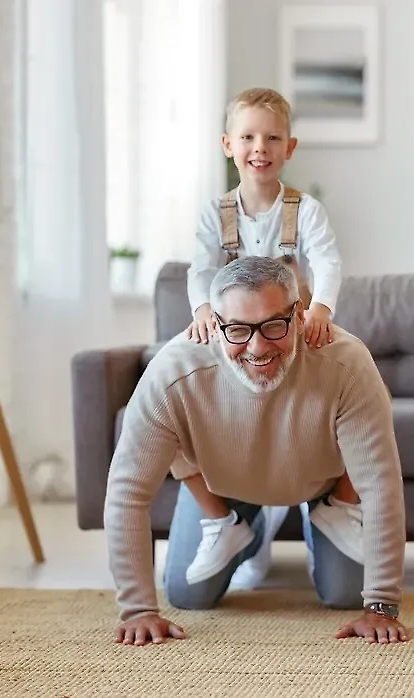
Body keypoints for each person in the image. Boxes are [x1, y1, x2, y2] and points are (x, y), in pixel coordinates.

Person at [104, 256, 408, 647]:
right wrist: (138, 611)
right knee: (187, 595)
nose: (257, 346)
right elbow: (127, 493)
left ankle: (323, 517)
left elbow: (381, 485)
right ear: (215, 324)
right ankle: (245, 529)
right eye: (238, 330)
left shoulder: (346, 361)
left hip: (320, 484)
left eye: (273, 325)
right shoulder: (173, 370)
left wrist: (381, 604)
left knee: (346, 594)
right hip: (223, 488)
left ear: (299, 315)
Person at [180, 87, 345, 585]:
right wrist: (204, 308)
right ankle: (239, 521)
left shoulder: (305, 210)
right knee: (190, 381)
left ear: (289, 147)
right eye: (248, 136)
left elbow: (328, 262)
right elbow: (201, 267)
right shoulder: (216, 212)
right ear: (227, 144)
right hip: (237, 339)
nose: (261, 146)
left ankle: (323, 510)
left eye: (273, 137)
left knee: (331, 379)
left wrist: (320, 308)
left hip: (287, 333)